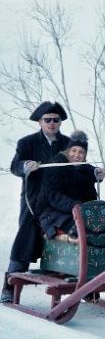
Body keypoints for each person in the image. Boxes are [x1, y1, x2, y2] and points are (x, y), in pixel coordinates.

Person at [2, 102, 71, 303]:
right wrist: (25, 166)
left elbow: (80, 166)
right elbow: (15, 166)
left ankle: (76, 278)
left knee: (71, 232)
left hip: (61, 201)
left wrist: (94, 173)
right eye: (47, 120)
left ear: (60, 122)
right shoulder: (27, 143)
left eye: (55, 120)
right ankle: (9, 285)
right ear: (40, 122)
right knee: (26, 236)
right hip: (34, 200)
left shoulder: (68, 144)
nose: (51, 123)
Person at [36, 131, 105, 254]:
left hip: (82, 210)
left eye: (81, 152)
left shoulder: (83, 166)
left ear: (84, 155)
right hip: (54, 212)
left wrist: (98, 172)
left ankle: (103, 258)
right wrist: (75, 205)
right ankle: (83, 260)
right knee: (83, 227)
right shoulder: (56, 165)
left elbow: (91, 170)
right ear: (68, 151)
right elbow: (52, 196)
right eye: (74, 151)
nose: (76, 155)